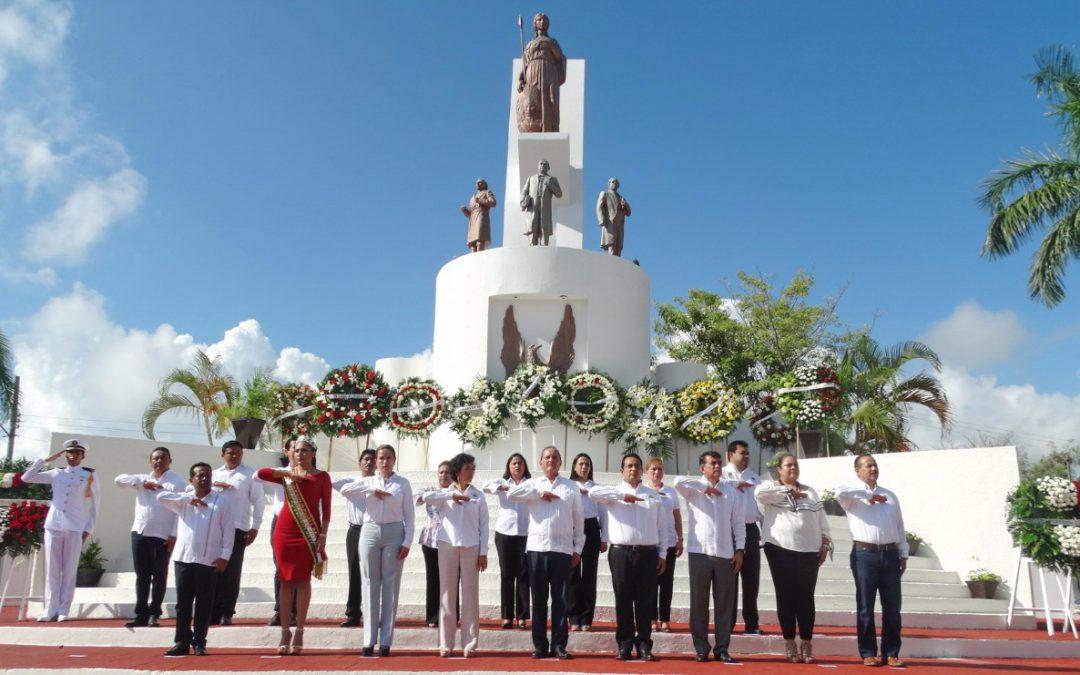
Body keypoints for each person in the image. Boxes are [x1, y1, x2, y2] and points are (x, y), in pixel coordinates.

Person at [588, 453, 671, 661]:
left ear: (642, 470)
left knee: (645, 601)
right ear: (622, 471)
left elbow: (662, 526)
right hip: (621, 553)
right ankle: (624, 644)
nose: (633, 469)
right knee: (623, 601)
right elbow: (592, 493)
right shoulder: (613, 493)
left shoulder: (652, 494)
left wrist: (662, 554)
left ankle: (644, 644)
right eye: (629, 466)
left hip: (647, 553)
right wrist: (621, 496)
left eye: (636, 466)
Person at [256, 438, 331, 655]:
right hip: (284, 533)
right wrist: (289, 474)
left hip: (308, 533)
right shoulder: (287, 476)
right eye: (297, 451)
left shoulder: (322, 477)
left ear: (313, 453)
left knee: (303, 581)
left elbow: (326, 508)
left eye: (305, 450)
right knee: (285, 581)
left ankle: (300, 630)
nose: (301, 454)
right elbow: (261, 473)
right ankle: (285, 631)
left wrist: (324, 533)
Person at [508, 445, 584, 660]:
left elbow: (579, 521)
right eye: (547, 457)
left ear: (560, 462)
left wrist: (577, 549)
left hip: (562, 550)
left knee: (561, 600)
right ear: (541, 462)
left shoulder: (571, 487)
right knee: (539, 600)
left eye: (555, 457)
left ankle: (559, 645)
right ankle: (540, 645)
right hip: (537, 550)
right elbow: (512, 493)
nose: (551, 460)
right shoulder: (532, 484)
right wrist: (540, 493)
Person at [755, 453, 832, 664]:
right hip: (779, 548)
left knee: (806, 597)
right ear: (779, 469)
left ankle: (806, 642)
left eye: (795, 465)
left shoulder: (810, 491)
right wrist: (787, 490)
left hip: (809, 550)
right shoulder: (770, 488)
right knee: (786, 596)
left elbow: (822, 521)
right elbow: (759, 495)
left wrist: (825, 542)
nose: (792, 469)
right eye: (788, 465)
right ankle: (789, 641)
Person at [339, 444, 414, 657]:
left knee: (390, 585)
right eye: (380, 458)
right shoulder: (368, 480)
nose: (383, 462)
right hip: (370, 531)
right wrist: (370, 489)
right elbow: (345, 489)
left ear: (394, 459)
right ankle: (368, 639)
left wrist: (407, 541)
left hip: (394, 532)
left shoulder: (403, 483)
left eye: (388, 458)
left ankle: (386, 641)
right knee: (370, 583)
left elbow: (409, 514)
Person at [837, 455, 908, 668]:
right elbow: (839, 492)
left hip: (890, 554)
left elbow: (899, 526)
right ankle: (868, 652)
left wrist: (903, 553)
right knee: (866, 606)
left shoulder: (890, 495)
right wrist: (868, 494)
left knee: (893, 607)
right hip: (864, 555)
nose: (873, 468)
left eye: (875, 465)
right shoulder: (851, 496)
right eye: (868, 465)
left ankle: (891, 652)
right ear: (858, 471)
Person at [156, 462, 234, 657]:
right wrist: (188, 497)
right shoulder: (183, 501)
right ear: (191, 480)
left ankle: (199, 642)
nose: (204, 478)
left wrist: (225, 557)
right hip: (183, 558)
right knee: (183, 604)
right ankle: (181, 642)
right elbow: (161, 497)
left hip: (208, 561)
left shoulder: (221, 501)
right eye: (199, 475)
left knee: (204, 603)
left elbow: (228, 532)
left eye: (207, 475)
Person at [675, 450, 745, 664]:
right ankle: (701, 647)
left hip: (725, 553)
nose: (717, 467)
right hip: (700, 552)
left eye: (718, 463)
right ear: (701, 468)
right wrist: (705, 487)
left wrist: (740, 550)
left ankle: (722, 648)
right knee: (699, 603)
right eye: (712, 463)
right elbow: (678, 481)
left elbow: (738, 523)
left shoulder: (730, 491)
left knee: (725, 604)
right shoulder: (693, 489)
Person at [21, 439, 100, 622]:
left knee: (70, 569)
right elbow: (27, 478)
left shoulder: (89, 475)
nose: (73, 456)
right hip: (54, 525)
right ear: (65, 455)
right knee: (52, 569)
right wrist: (46, 460)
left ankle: (64, 608)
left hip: (75, 526)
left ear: (83, 456)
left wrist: (89, 528)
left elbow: (96, 503)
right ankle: (49, 609)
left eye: (77, 453)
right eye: (70, 453)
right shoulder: (56, 473)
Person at [423, 453, 489, 658]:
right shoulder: (444, 493)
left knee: (470, 596)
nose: (471, 471)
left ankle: (470, 643)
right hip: (447, 545)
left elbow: (484, 526)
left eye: (473, 467)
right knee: (446, 594)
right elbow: (426, 498)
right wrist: (450, 495)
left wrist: (483, 553)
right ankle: (445, 643)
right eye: (467, 468)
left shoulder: (478, 495)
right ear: (457, 471)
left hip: (471, 546)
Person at [114, 446, 184, 627]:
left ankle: (155, 613)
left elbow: (181, 511)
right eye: (155, 458)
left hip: (162, 535)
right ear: (150, 462)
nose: (159, 461)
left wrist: (174, 534)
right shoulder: (142, 479)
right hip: (140, 532)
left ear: (170, 460)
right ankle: (141, 614)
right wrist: (140, 482)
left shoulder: (177, 482)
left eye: (163, 458)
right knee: (142, 575)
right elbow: (118, 480)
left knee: (159, 575)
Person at [210, 440, 265, 625]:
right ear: (223, 454)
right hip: (214, 528)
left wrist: (255, 526)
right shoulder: (213, 474)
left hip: (237, 528)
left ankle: (227, 612)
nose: (235, 456)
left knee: (232, 571)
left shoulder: (250, 474)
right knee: (212, 570)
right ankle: (213, 611)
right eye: (231, 452)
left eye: (238, 452)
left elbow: (258, 501)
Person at [483, 452, 532, 629]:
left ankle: (522, 616)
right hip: (505, 534)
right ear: (508, 467)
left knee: (524, 575)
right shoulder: (502, 482)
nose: (517, 466)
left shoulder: (530, 483)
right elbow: (485, 487)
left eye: (520, 463)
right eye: (513, 463)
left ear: (525, 466)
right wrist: (503, 488)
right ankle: (506, 616)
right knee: (507, 575)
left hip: (526, 534)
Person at [332, 447, 376, 628]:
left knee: (373, 574)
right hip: (355, 531)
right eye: (365, 459)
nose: (369, 462)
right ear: (359, 463)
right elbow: (336, 485)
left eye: (372, 460)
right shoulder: (352, 481)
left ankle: (373, 614)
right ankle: (352, 613)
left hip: (373, 530)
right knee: (354, 572)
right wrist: (364, 483)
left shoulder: (381, 482)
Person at [723, 440, 763, 635]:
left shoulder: (756, 478)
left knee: (751, 579)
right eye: (742, 453)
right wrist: (735, 484)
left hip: (750, 530)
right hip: (728, 532)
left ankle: (751, 623)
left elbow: (762, 508)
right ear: (730, 454)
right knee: (729, 581)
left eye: (748, 453)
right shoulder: (721, 474)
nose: (746, 456)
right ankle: (727, 624)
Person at [567, 452, 607, 632]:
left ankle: (586, 618)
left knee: (589, 576)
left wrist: (604, 537)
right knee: (573, 574)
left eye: (587, 465)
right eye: (581, 464)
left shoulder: (596, 489)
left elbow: (604, 514)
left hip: (591, 528)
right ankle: (573, 616)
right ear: (574, 466)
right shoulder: (568, 486)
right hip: (573, 529)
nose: (584, 467)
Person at [645, 456, 683, 633]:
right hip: (651, 542)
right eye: (653, 469)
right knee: (651, 582)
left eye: (659, 469)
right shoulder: (643, 490)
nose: (656, 472)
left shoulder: (671, 492)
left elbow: (676, 515)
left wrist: (680, 538)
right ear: (647, 472)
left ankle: (665, 618)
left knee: (667, 582)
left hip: (668, 541)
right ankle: (652, 618)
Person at [515, 12, 567, 133]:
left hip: (549, 70)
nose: (542, 22)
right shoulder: (529, 44)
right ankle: (535, 127)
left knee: (551, 100)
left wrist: (547, 44)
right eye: (539, 20)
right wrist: (522, 78)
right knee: (534, 98)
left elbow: (559, 57)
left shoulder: (552, 42)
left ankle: (551, 127)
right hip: (533, 71)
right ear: (535, 24)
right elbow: (525, 62)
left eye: (544, 20)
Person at [417, 461, 453, 627]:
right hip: (430, 540)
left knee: (451, 580)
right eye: (441, 472)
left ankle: (451, 616)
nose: (444, 475)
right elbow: (418, 498)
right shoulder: (429, 490)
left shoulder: (456, 491)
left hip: (450, 541)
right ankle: (433, 616)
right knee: (433, 579)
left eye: (447, 472)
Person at [264, 445, 294, 627]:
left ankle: (295, 612)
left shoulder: (311, 474)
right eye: (293, 449)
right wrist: (282, 473)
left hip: (301, 523)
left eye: (301, 450)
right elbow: (257, 476)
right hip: (280, 522)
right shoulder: (280, 473)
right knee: (280, 568)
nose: (297, 453)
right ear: (287, 451)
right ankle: (280, 611)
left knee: (299, 571)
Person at [520, 159, 563, 246]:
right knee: (533, 225)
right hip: (533, 206)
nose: (542, 165)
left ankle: (544, 245)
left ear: (548, 167)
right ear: (538, 166)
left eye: (545, 164)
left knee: (544, 226)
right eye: (541, 163)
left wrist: (550, 186)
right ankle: (532, 244)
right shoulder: (531, 178)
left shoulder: (552, 179)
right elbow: (524, 191)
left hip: (545, 207)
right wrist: (523, 201)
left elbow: (559, 194)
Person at [595, 178, 631, 257]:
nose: (615, 184)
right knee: (611, 242)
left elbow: (628, 213)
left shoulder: (621, 198)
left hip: (620, 224)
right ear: (609, 184)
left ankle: (617, 262)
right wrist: (601, 220)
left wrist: (625, 205)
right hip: (610, 222)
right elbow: (599, 207)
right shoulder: (605, 194)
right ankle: (611, 261)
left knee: (618, 244)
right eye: (613, 182)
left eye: (616, 183)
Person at [461, 178, 497, 252]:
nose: (478, 184)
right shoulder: (472, 197)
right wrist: (465, 211)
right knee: (472, 244)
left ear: (484, 184)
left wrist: (480, 200)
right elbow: (470, 213)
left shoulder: (487, 192)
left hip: (481, 215)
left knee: (480, 240)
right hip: (473, 219)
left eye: (480, 183)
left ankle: (480, 256)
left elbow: (493, 203)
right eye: (477, 183)